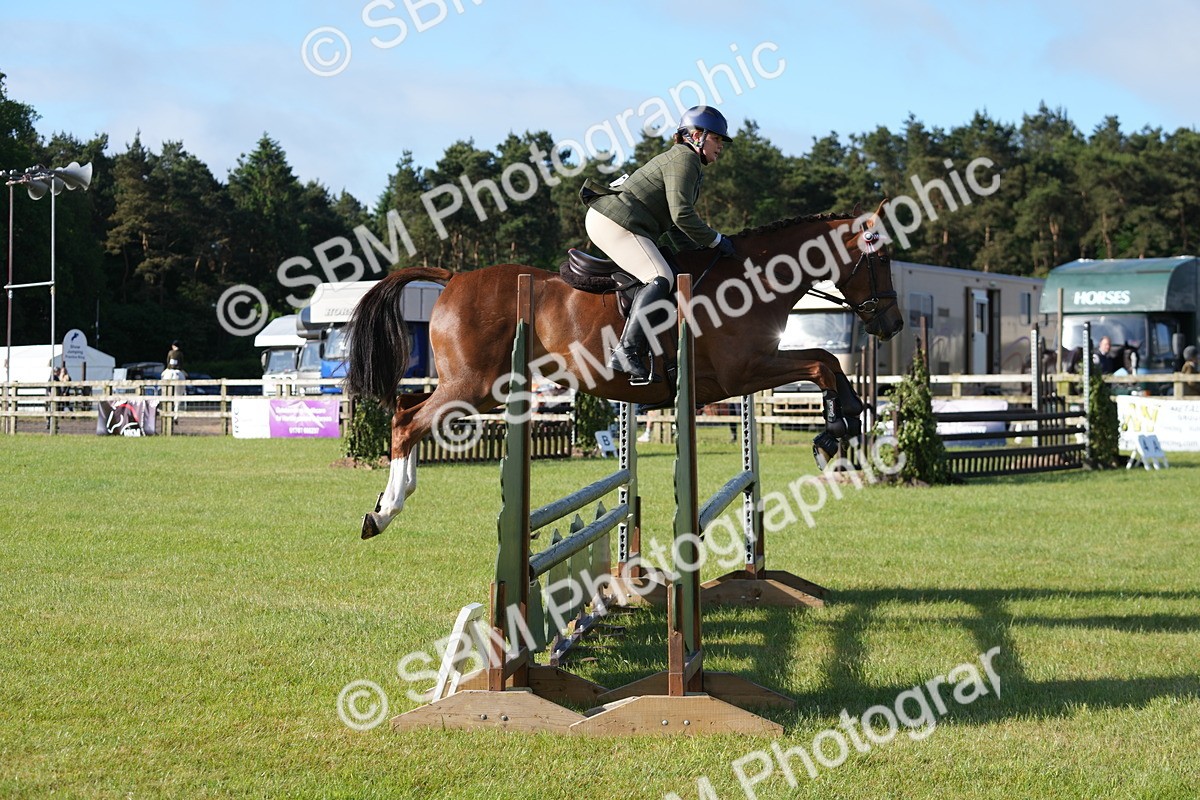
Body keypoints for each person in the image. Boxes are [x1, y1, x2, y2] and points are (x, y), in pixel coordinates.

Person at [580, 105, 736, 384]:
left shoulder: (685, 161)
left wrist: (697, 253)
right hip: (614, 220)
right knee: (660, 277)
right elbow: (682, 215)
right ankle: (626, 351)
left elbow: (675, 224)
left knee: (671, 272)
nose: (721, 147)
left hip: (622, 221)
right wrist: (716, 240)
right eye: (717, 139)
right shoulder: (685, 160)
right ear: (697, 135)